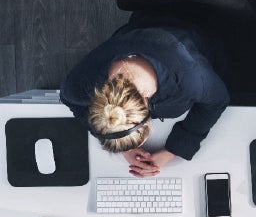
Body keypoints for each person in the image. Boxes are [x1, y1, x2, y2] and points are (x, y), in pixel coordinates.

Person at [60, 13, 230, 177]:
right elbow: (68, 99)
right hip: (139, 29)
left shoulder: (190, 80)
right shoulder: (81, 83)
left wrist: (173, 150)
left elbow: (217, 101)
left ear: (147, 112)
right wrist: (126, 149)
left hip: (199, 29)